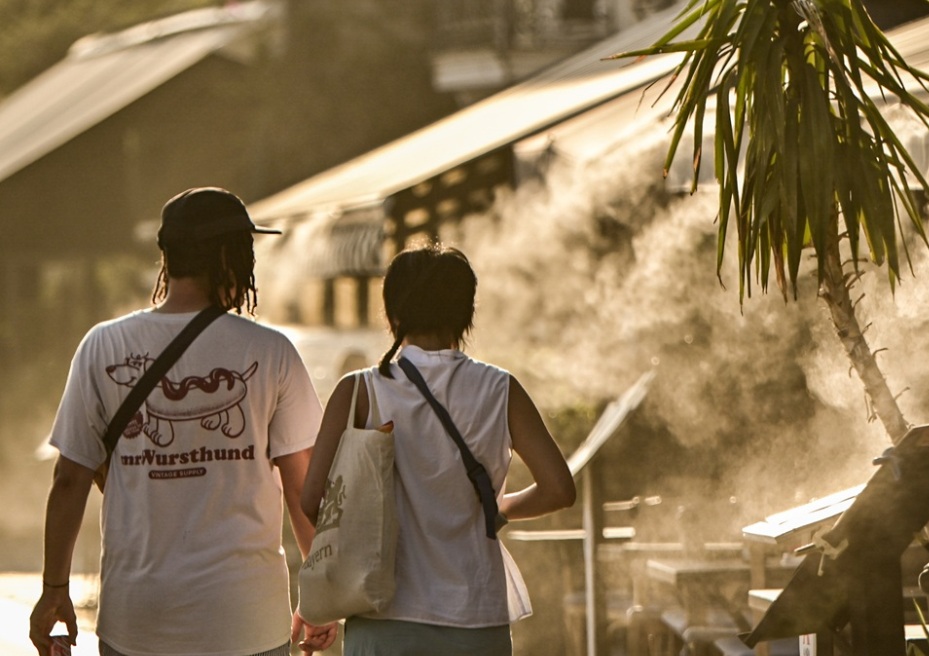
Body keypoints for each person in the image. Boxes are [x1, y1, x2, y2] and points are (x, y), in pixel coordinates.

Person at [29, 188, 338, 656]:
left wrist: (54, 590)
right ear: (226, 256)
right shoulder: (271, 352)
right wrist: (319, 597)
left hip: (138, 624)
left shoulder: (103, 347)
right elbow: (301, 486)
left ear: (167, 258)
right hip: (246, 623)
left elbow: (69, 479)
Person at [301, 242, 577, 656]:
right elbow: (559, 488)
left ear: (394, 315)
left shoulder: (359, 391)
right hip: (475, 619)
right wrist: (497, 508)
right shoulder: (501, 389)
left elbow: (310, 500)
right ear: (465, 314)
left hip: (383, 619)